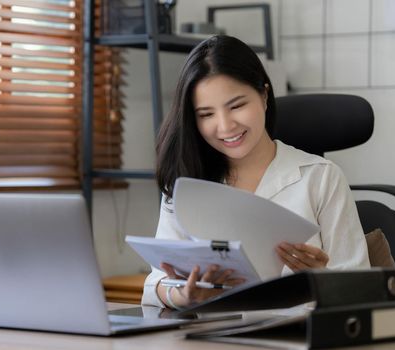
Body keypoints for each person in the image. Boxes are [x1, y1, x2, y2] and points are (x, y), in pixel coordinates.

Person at [141, 35, 370, 310]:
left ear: (264, 95)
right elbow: (156, 284)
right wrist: (183, 296)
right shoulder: (187, 179)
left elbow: (362, 293)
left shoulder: (321, 178)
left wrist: (322, 280)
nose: (225, 127)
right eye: (206, 114)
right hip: (213, 339)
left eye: (237, 106)